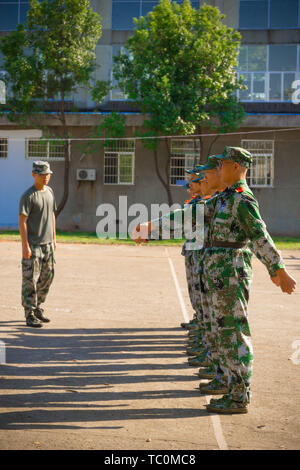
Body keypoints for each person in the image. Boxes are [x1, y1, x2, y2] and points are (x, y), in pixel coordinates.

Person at [19, 161, 57, 328]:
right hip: (33, 245)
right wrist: (25, 246)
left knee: (47, 277)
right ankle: (29, 313)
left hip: (47, 244)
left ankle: (38, 307)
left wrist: (54, 238)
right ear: (34, 174)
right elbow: (23, 222)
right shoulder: (28, 196)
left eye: (47, 174)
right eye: (42, 175)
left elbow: (52, 215)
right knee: (30, 280)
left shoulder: (49, 192)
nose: (46, 177)